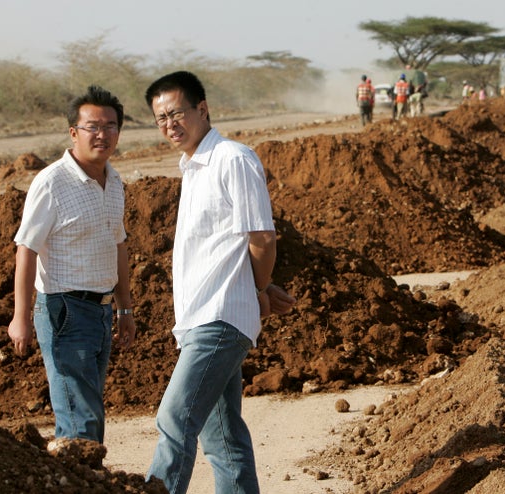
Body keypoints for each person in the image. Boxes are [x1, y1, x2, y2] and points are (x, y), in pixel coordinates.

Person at [143, 71, 296, 494]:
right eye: (160, 118)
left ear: (202, 108)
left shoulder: (232, 158)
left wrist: (259, 289)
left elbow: (262, 237)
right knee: (222, 438)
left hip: (221, 317)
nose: (170, 124)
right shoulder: (192, 167)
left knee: (175, 418)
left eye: (176, 112)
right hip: (197, 319)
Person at [7, 85, 136, 444]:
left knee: (88, 411)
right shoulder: (51, 182)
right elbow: (26, 249)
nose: (102, 134)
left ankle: (79, 477)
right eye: (92, 126)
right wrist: (21, 316)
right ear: (73, 132)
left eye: (110, 126)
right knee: (81, 418)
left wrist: (125, 308)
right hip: (64, 310)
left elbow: (119, 246)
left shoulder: (115, 181)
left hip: (101, 311)